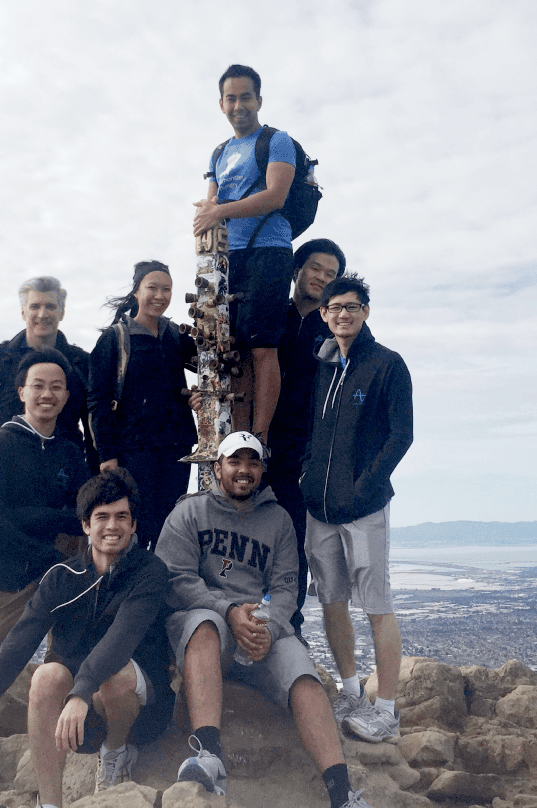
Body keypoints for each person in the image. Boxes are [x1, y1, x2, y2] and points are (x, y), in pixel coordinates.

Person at [155, 432, 373, 808]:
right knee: (205, 625)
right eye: (235, 462)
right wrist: (229, 611)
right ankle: (208, 755)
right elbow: (177, 578)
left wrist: (267, 628)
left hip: (259, 628)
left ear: (261, 470)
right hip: (209, 623)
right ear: (217, 468)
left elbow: (286, 588)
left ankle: (342, 794)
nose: (244, 470)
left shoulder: (278, 520)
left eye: (252, 462)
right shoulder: (188, 513)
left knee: (303, 676)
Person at [0, 468, 175, 807]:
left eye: (121, 517)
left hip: (141, 713)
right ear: (85, 525)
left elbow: (120, 640)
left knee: (114, 677)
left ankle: (115, 755)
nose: (112, 526)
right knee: (46, 676)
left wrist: (81, 693)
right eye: (102, 517)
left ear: (133, 525)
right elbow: (16, 648)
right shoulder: (62, 578)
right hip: (80, 714)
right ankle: (49, 803)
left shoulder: (150, 572)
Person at [0, 349, 87, 724]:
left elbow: (84, 515)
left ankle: (52, 746)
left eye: (57, 387)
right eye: (38, 386)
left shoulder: (70, 454)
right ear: (21, 392)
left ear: (66, 396)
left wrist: (30, 518)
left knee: (62, 669)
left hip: (48, 578)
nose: (47, 394)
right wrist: (52, 537)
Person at [300, 274, 414, 743]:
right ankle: (351, 692)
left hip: (364, 508)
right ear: (324, 314)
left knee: (377, 606)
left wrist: (366, 487)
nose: (343, 314)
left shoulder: (387, 364)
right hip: (320, 508)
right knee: (332, 602)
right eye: (335, 307)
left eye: (352, 306)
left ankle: (386, 710)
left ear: (366, 311)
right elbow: (312, 431)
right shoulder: (323, 366)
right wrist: (307, 475)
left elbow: (401, 436)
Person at [192, 64, 296, 450]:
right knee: (231, 347)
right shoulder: (219, 152)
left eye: (246, 97)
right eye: (231, 98)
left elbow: (276, 196)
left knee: (262, 346)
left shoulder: (276, 140)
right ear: (221, 104)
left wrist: (218, 211)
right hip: (224, 258)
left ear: (259, 100)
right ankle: (237, 437)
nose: (239, 105)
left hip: (269, 250)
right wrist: (209, 214)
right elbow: (211, 204)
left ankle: (260, 437)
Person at [0, 276, 96, 508]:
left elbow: (94, 427)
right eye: (35, 306)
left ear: (62, 312)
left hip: (65, 479)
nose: (42, 314)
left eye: (50, 306)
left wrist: (94, 487)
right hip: (3, 475)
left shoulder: (81, 363)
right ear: (23, 312)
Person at [87, 261, 198, 551]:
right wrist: (107, 456)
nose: (160, 296)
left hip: (176, 448)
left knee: (170, 526)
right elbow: (97, 401)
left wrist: (198, 397)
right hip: (133, 451)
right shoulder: (115, 339)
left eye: (167, 289)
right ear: (136, 291)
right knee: (135, 527)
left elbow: (207, 368)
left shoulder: (175, 335)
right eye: (152, 288)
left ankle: (162, 576)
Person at [266, 238, 346, 635]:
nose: (322, 278)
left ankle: (288, 626)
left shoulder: (335, 328)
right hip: (256, 444)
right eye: (316, 268)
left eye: (331, 274)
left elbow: (353, 391)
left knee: (294, 540)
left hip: (305, 453)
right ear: (297, 270)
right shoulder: (270, 314)